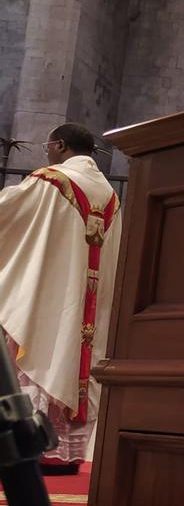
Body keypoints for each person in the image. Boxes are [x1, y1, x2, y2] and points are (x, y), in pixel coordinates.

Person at [0, 123, 121, 475]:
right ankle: (66, 454)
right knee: (76, 358)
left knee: (43, 349)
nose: (45, 152)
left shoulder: (51, 181)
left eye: (47, 145)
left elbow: (9, 214)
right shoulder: (111, 195)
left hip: (52, 296)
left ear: (61, 146)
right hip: (89, 305)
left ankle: (36, 449)